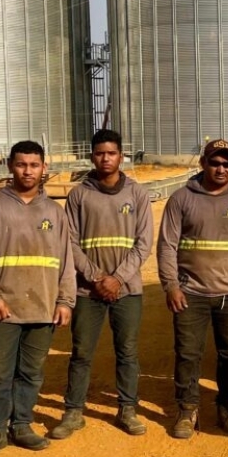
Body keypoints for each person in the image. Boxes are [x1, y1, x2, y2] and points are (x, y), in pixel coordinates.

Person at [0, 140, 75, 457]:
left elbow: (65, 260)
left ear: (44, 168)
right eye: (21, 164)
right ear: (11, 166)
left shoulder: (55, 212)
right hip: (3, 309)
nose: (28, 170)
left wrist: (65, 300)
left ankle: (22, 424)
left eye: (34, 165)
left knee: (31, 372)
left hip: (43, 308)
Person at [50, 129, 153, 440]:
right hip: (88, 290)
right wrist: (96, 278)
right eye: (99, 153)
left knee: (128, 351)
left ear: (121, 156)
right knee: (82, 351)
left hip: (127, 289)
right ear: (91, 156)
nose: (105, 158)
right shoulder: (80, 194)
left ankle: (127, 408)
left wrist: (117, 278)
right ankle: (73, 411)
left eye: (111, 153)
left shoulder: (137, 194)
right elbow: (69, 242)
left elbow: (144, 242)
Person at [157, 138, 228, 440]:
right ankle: (188, 408)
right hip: (191, 295)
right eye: (214, 162)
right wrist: (171, 285)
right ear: (203, 163)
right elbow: (167, 246)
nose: (220, 168)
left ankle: (227, 407)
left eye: (226, 163)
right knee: (188, 354)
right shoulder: (181, 199)